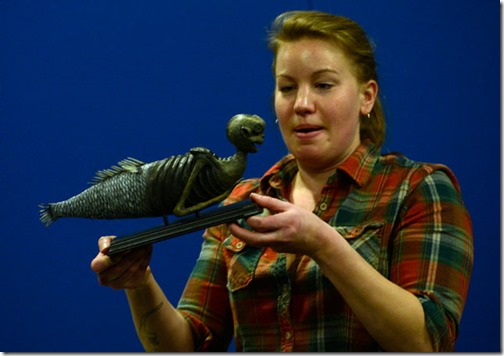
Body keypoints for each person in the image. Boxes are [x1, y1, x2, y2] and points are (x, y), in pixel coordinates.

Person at [91, 10, 473, 352]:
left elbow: (426, 344)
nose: (301, 104)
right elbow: (190, 345)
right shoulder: (244, 199)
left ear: (366, 97)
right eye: (287, 87)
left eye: (323, 85)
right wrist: (139, 284)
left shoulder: (420, 190)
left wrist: (322, 243)